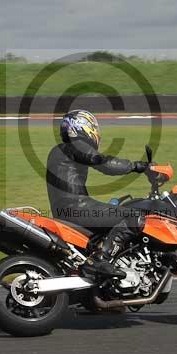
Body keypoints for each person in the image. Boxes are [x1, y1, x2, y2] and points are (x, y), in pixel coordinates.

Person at [45, 110, 148, 278]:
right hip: (77, 207)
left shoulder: (60, 150)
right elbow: (103, 163)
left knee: (114, 212)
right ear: (83, 126)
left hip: (67, 210)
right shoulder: (75, 145)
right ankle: (101, 259)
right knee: (133, 216)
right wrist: (137, 166)